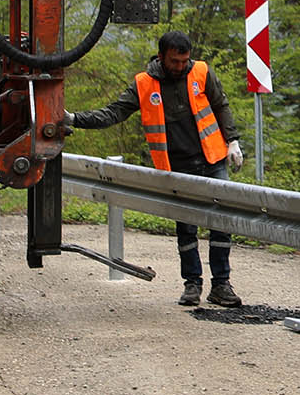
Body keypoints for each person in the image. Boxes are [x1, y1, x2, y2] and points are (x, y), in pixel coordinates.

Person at [69, 30, 246, 307]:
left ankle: (221, 285)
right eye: (175, 61)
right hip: (177, 166)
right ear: (162, 57)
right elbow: (114, 112)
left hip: (212, 159)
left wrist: (232, 140)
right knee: (186, 226)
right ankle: (192, 284)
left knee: (221, 224)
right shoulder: (144, 84)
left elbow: (220, 105)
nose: (180, 66)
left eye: (184, 61)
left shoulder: (200, 72)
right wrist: (75, 119)